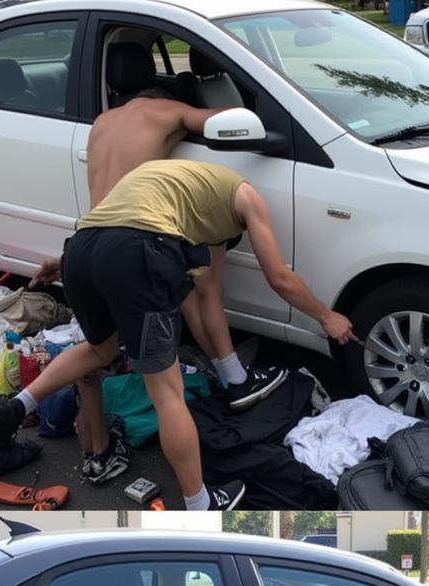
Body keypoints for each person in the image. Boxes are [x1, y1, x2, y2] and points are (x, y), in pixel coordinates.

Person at [0, 158, 358, 511]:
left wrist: (62, 264)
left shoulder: (170, 181)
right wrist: (327, 317)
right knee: (166, 392)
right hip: (140, 252)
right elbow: (278, 277)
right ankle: (200, 503)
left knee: (99, 350)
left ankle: (21, 404)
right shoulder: (248, 197)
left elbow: (118, 230)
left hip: (81, 249)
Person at [55, 52, 286, 485]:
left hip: (87, 244)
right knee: (190, 314)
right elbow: (223, 118)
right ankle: (232, 382)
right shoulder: (167, 111)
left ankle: (96, 450)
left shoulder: (102, 122)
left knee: (95, 355)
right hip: (138, 247)